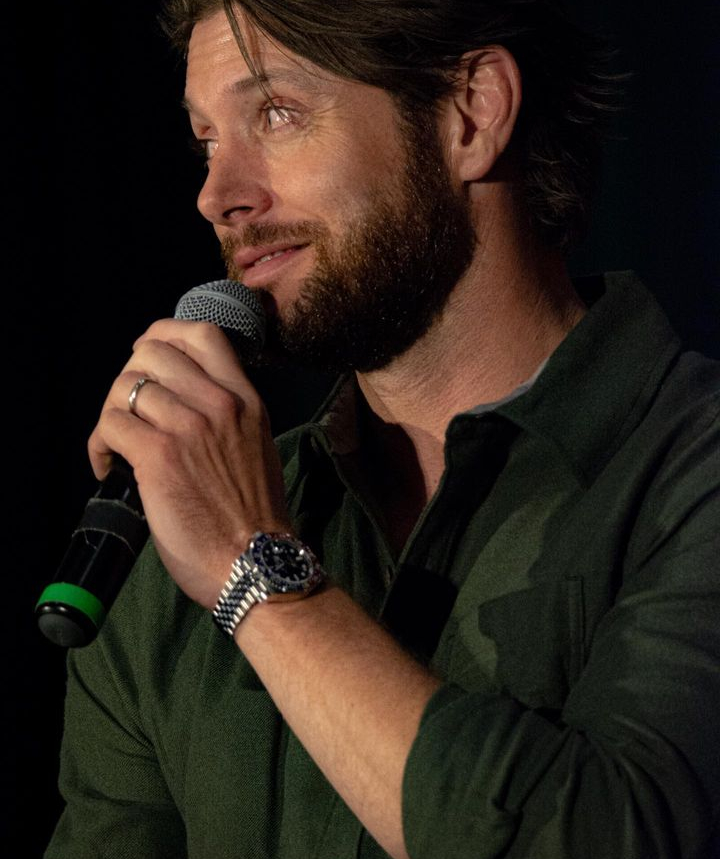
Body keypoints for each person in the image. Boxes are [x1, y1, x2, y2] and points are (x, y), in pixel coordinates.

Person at [46, 1, 720, 857]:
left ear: (471, 113)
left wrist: (254, 572)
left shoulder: (688, 467)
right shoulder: (174, 539)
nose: (216, 196)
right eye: (206, 140)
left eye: (277, 113)